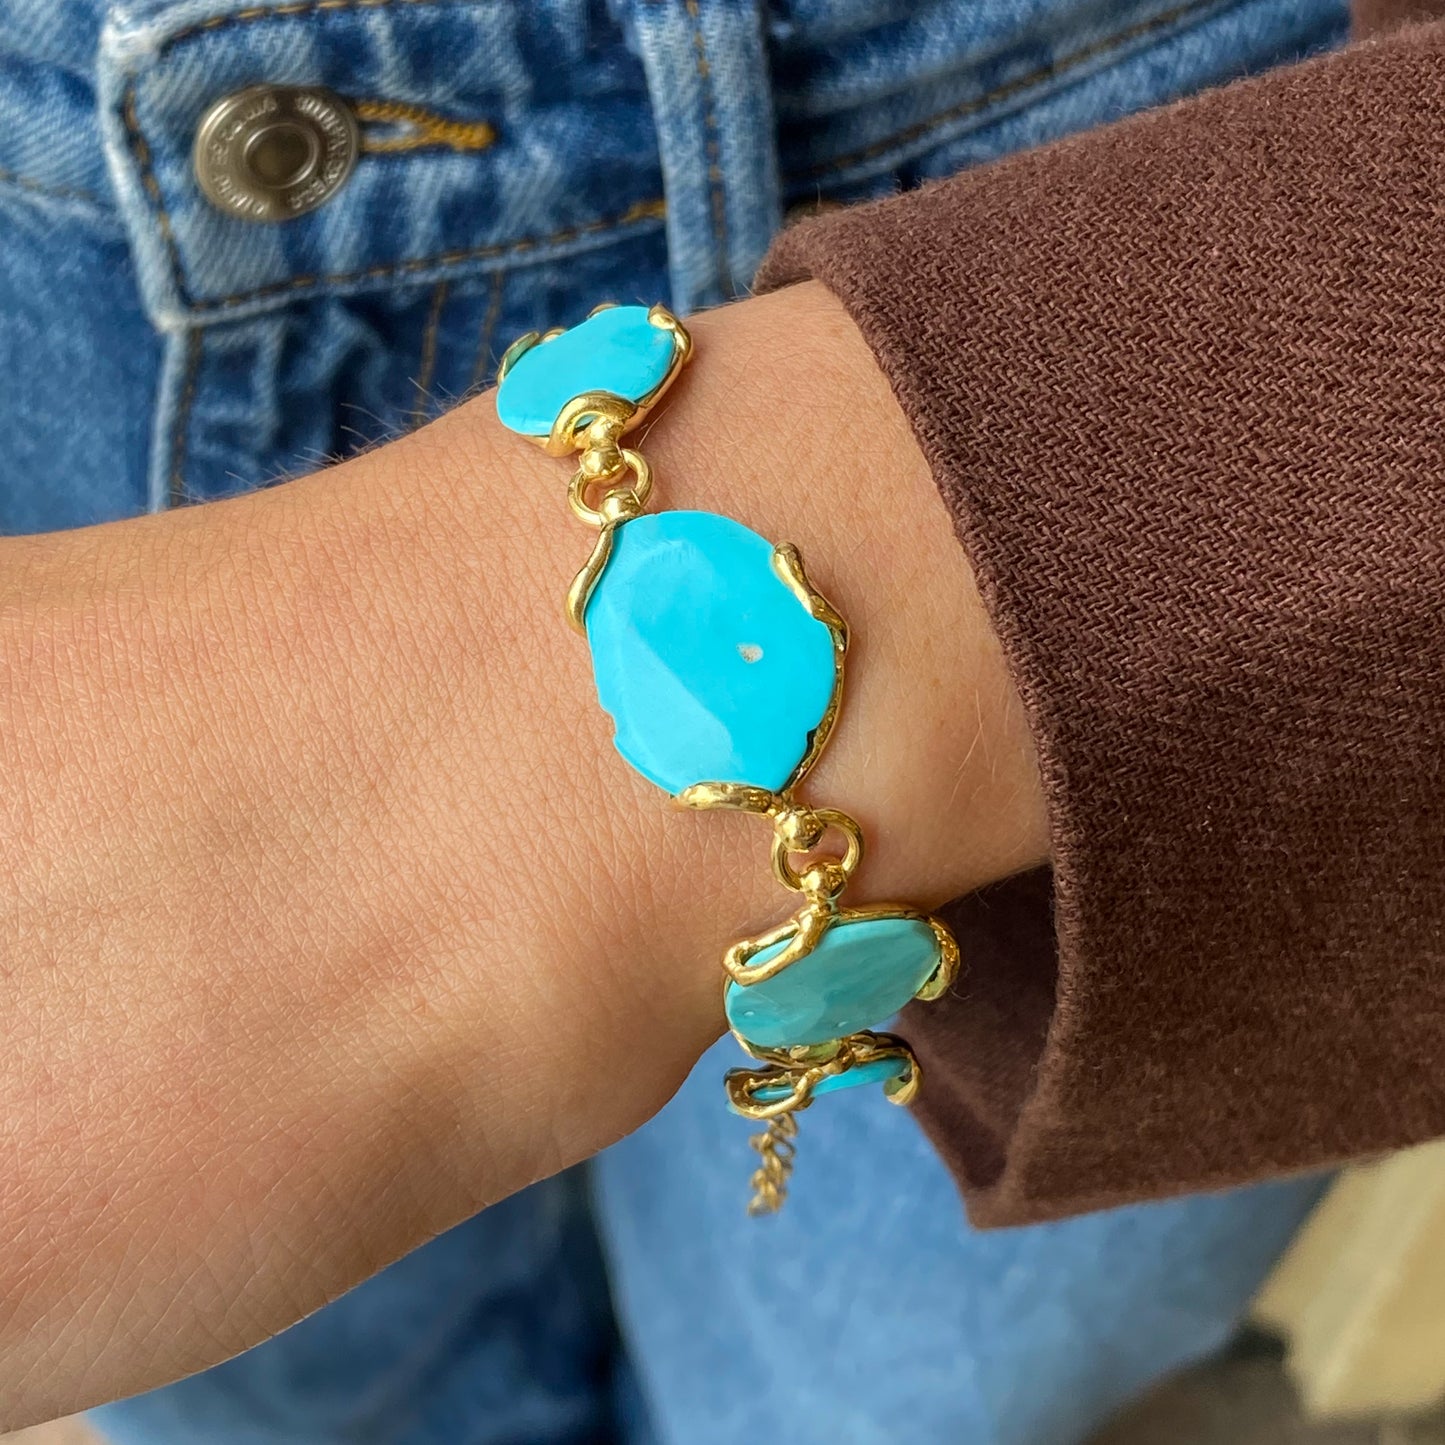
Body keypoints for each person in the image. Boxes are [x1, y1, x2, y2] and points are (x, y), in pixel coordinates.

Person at [2, 1, 1439, 1440]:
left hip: (1145, 145)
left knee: (876, 1400)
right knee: (304, 1394)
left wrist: (968, 506)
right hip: (55, 301)